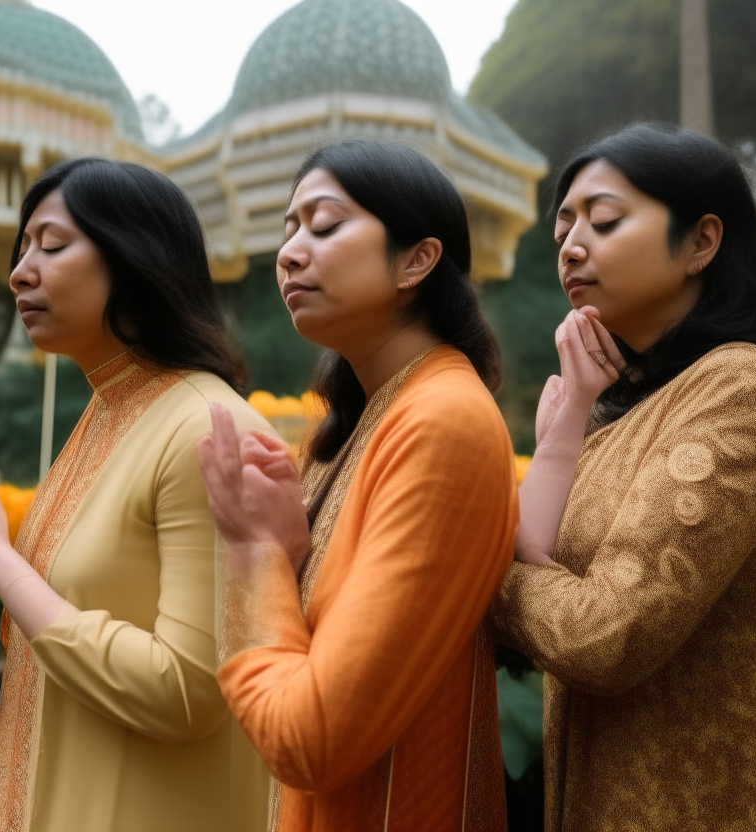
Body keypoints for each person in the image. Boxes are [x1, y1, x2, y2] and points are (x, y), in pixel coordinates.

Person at [490, 123, 756, 831]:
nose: (572, 246)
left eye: (604, 220)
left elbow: (607, 634)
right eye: (563, 230)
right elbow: (535, 578)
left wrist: (481, 571)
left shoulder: (744, 387)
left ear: (701, 242)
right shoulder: (618, 418)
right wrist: (567, 426)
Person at [0, 158, 270, 832]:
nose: (21, 271)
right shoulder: (107, 412)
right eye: (22, 248)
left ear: (134, 260)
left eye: (53, 245)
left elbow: (186, 692)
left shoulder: (203, 428)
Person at [196, 140, 519, 832]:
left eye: (324, 223)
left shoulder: (443, 421)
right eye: (288, 229)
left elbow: (312, 739)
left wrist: (255, 557)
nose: (290, 252)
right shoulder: (355, 426)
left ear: (416, 260)